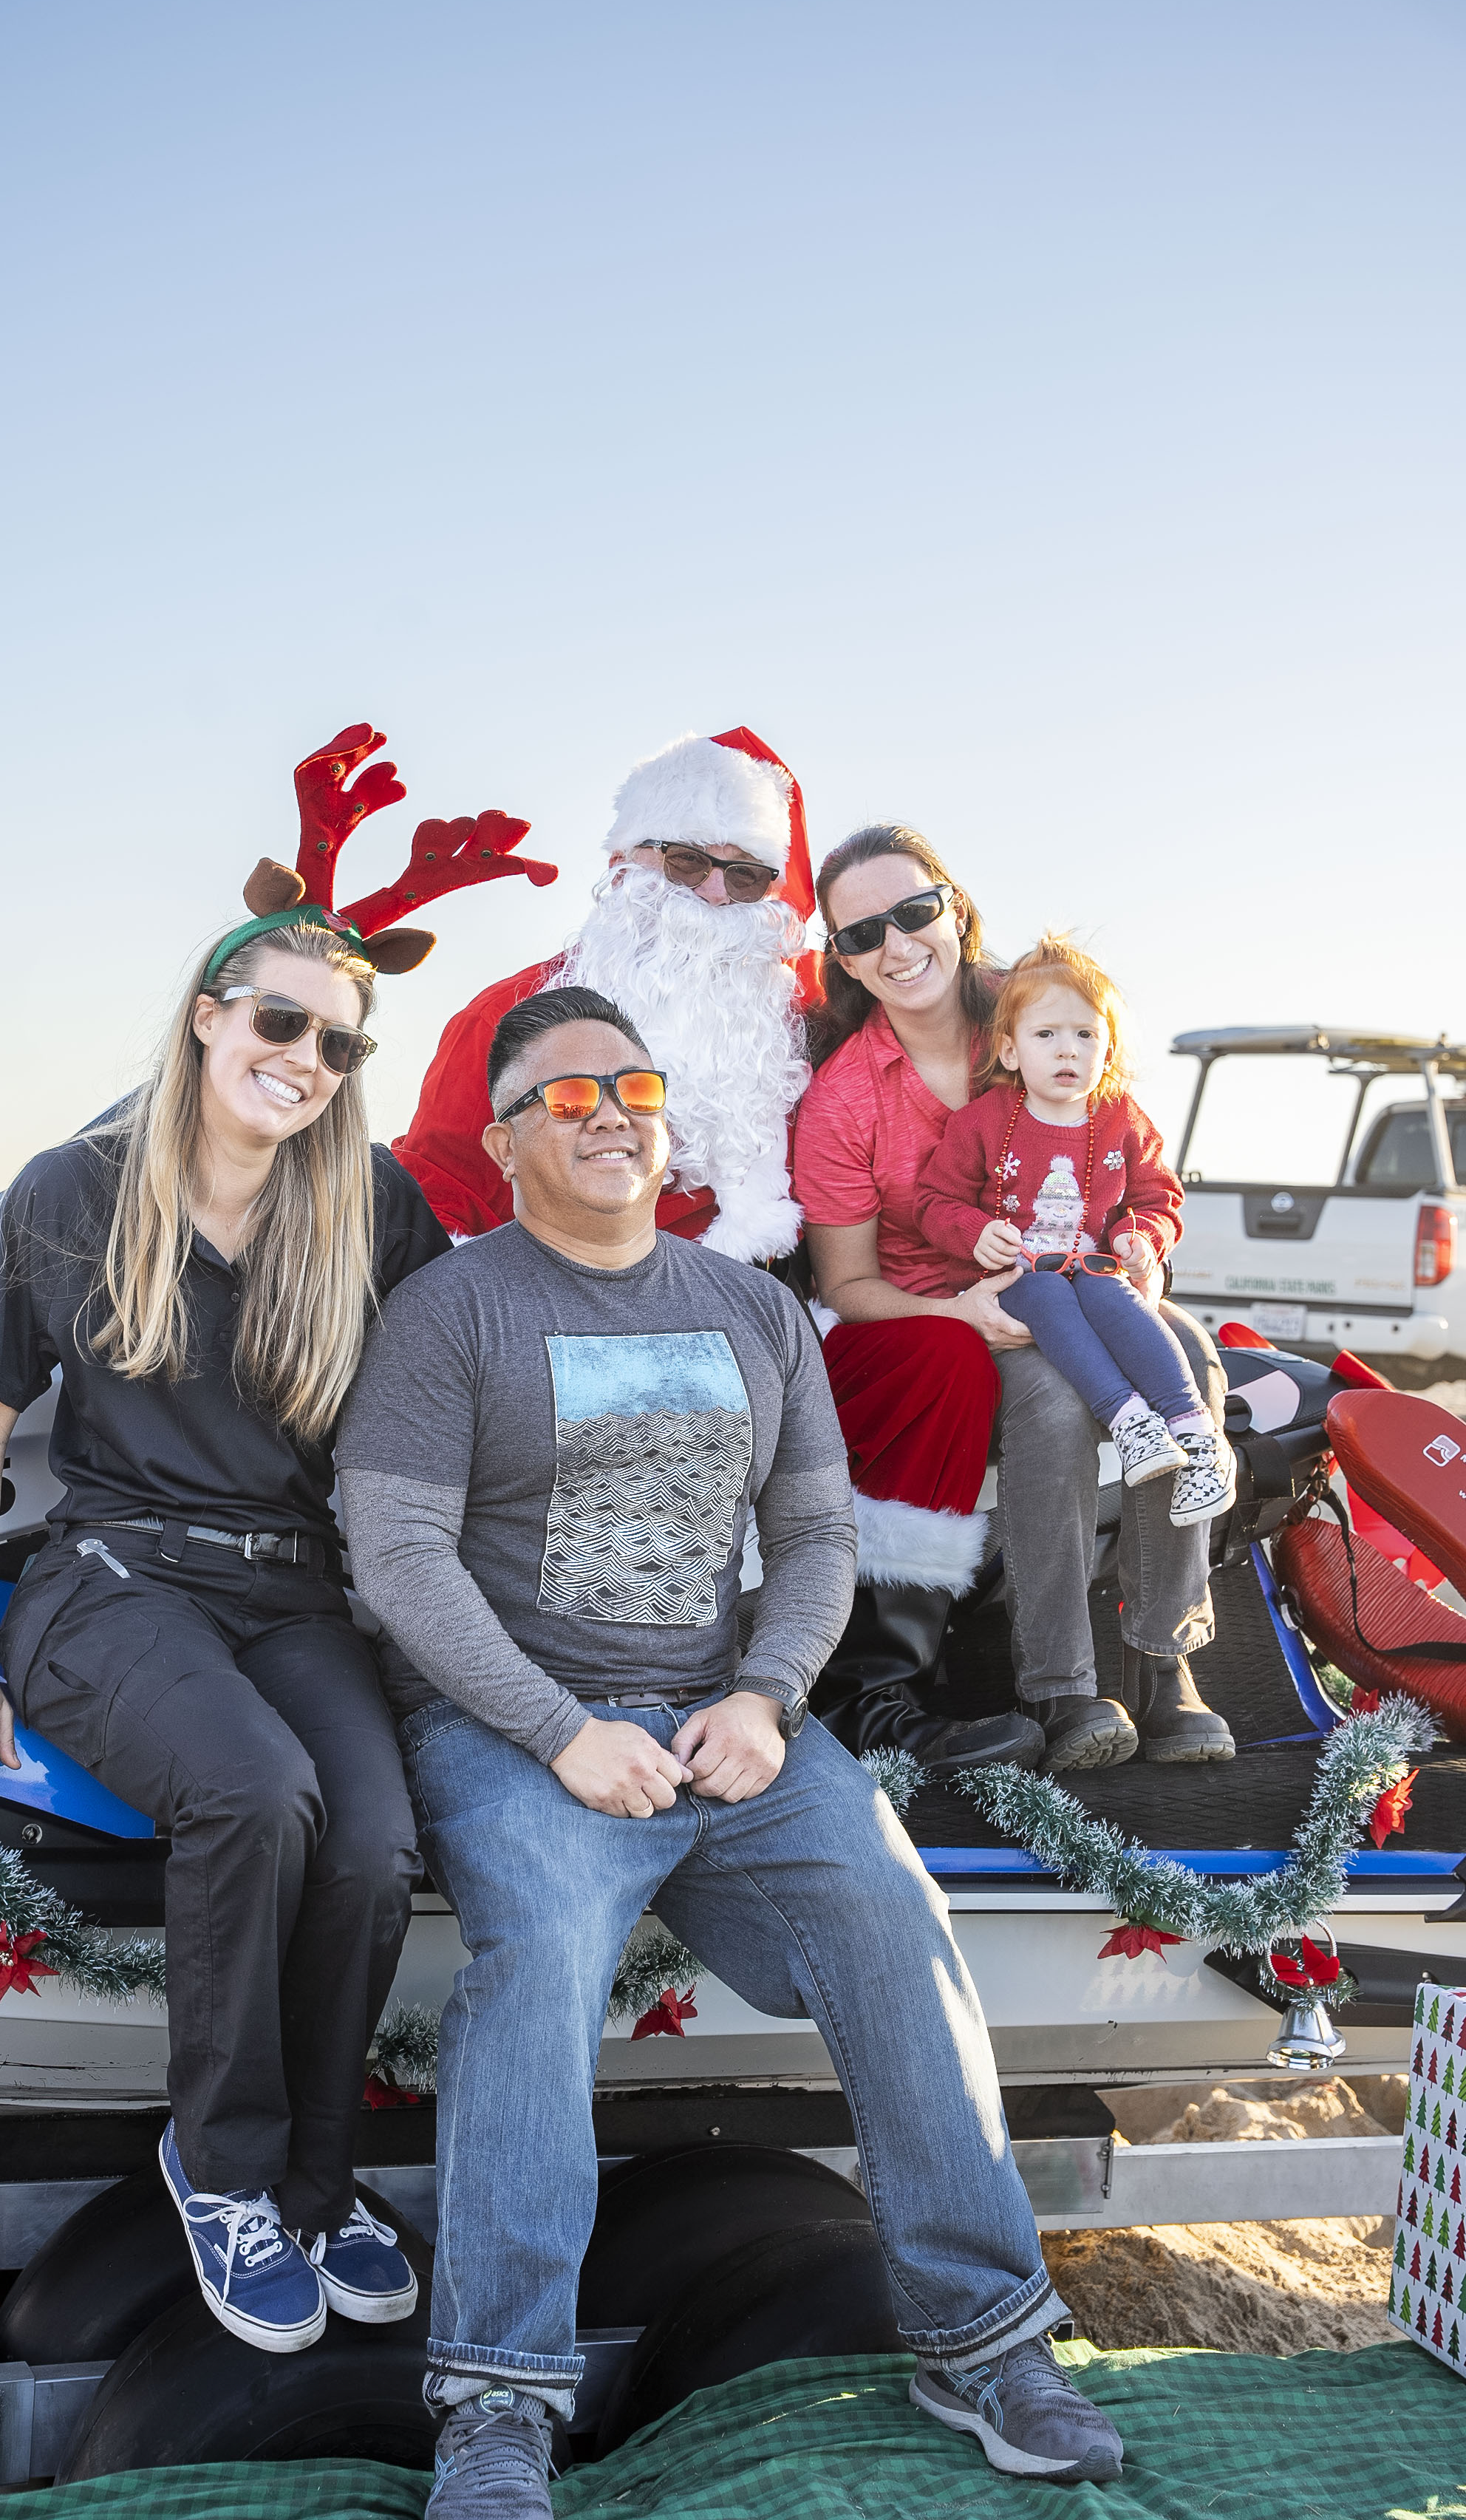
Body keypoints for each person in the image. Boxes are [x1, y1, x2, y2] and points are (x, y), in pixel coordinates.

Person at [337, 983, 1126, 2512]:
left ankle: (982, 2338)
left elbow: (816, 1535)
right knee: (539, 1970)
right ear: (506, 1140)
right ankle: (499, 2402)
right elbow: (399, 1561)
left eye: (632, 1086)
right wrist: (560, 1734)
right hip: (522, 1733)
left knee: (897, 1921)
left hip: (729, 1726)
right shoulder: (452, 1310)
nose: (614, 1113)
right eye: (570, 1096)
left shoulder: (751, 1307)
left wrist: (767, 1698)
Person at [0, 902, 449, 2355]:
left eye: (338, 1041)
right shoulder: (73, 1191)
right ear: (210, 1013)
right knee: (252, 1789)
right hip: (115, 1578)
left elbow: (453, 1406)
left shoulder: (373, 1206)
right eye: (279, 1020)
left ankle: (320, 2184)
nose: (305, 1058)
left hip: (293, 1589)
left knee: (371, 1837)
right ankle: (220, 2173)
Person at [793, 825, 1232, 1774]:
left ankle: (1166, 1661)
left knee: (1193, 1356)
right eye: (861, 934)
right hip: (953, 1320)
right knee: (1046, 1395)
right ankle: (1064, 1686)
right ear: (844, 962)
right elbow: (847, 1286)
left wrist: (1144, 1247)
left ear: (955, 909)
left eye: (914, 912)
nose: (897, 945)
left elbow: (1137, 1163)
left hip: (1083, 1280)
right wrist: (958, 1316)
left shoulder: (1041, 1005)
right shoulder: (844, 1101)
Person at [395, 726, 814, 1263]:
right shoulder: (503, 1017)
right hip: (552, 1304)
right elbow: (439, 1200)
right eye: (687, 861)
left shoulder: (786, 1020)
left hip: (749, 1307)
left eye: (747, 877)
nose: (714, 894)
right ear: (622, 864)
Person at [917, 933, 1237, 1532]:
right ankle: (1130, 1420)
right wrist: (975, 1232)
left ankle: (1194, 1434)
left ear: (1108, 1048)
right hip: (1019, 1275)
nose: (1068, 1050)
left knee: (1111, 1294)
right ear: (1010, 1051)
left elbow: (1157, 1195)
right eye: (1047, 1035)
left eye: (1085, 1034)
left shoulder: (1119, 1117)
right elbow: (935, 1200)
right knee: (1045, 1293)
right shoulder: (985, 1120)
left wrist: (1142, 1236)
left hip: (1093, 1267)